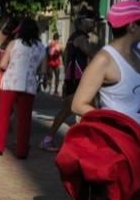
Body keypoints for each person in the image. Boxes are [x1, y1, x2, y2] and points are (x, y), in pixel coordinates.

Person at [72, 0, 140, 140]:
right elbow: (78, 105)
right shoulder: (104, 60)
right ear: (132, 26)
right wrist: (117, 125)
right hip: (120, 146)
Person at [0, 18, 46, 158]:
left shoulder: (14, 43)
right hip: (29, 85)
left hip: (11, 83)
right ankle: (22, 150)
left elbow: (3, 65)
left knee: (3, 114)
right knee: (25, 119)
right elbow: (43, 70)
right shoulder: (41, 47)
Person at [41, 12, 99, 151]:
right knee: (89, 112)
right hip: (77, 79)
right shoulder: (80, 38)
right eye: (92, 21)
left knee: (70, 111)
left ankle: (50, 139)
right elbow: (92, 54)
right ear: (83, 22)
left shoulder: (74, 37)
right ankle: (89, 143)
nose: (94, 24)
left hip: (73, 79)